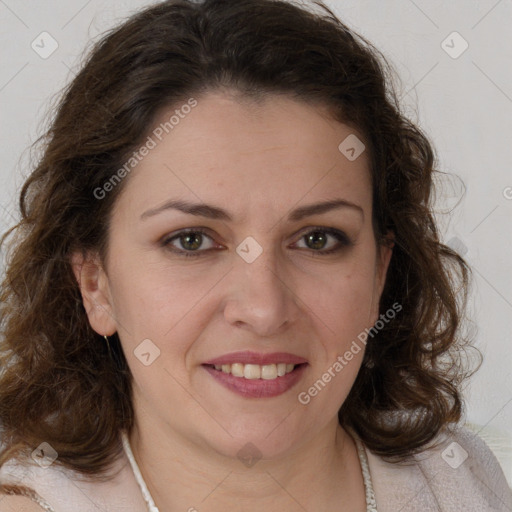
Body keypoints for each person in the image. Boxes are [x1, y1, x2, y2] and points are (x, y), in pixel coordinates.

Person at [0, 0, 510, 510]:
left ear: (379, 273)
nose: (264, 310)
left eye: (317, 239)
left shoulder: (458, 478)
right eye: (192, 240)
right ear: (96, 284)